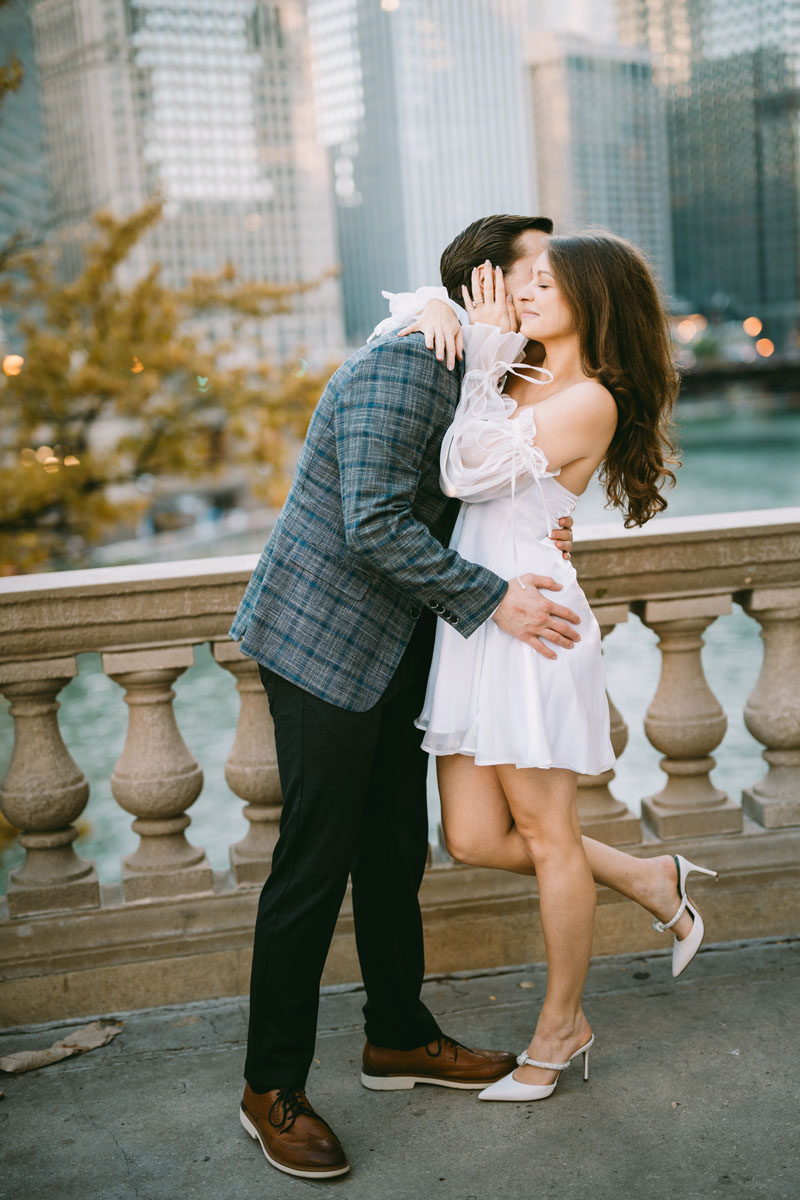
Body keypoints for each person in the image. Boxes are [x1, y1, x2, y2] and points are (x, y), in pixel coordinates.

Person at [229, 214, 579, 1180]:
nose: (552, 285)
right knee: (312, 865)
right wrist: (493, 599)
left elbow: (481, 488)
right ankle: (268, 1088)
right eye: (536, 272)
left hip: (398, 647)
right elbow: (374, 519)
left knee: (393, 854)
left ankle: (397, 1038)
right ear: (482, 285)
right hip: (320, 642)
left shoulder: (484, 367)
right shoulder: (412, 361)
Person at [391, 230, 718, 1105]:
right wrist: (437, 306)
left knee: (544, 835)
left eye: (544, 281)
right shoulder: (513, 368)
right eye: (522, 279)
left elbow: (460, 473)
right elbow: (424, 332)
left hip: (531, 624)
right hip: (477, 617)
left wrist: (487, 349)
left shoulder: (588, 399)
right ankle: (652, 878)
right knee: (471, 837)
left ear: (591, 298)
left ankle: (561, 1026)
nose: (524, 291)